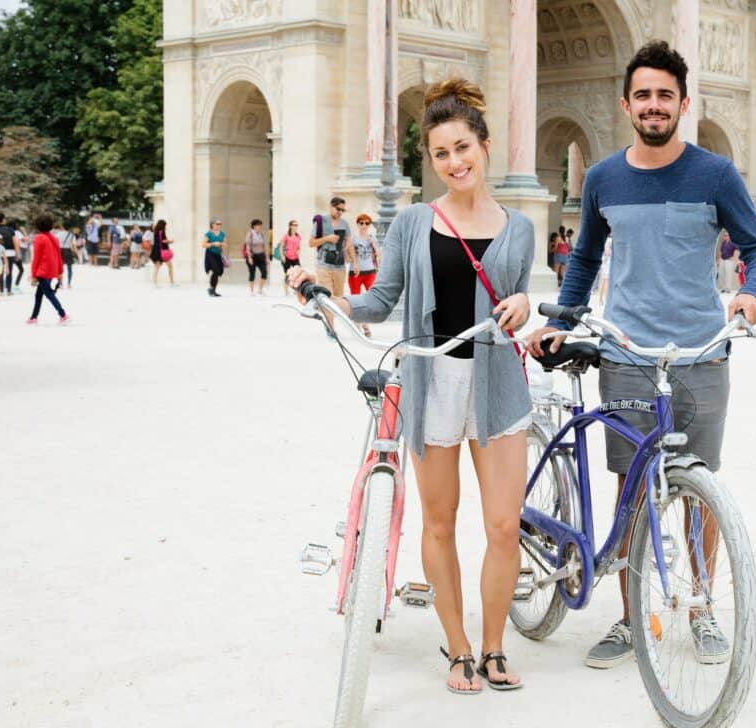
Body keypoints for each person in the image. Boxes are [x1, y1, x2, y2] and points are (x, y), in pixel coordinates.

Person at [522, 41, 756, 670]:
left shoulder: (717, 175)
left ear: (683, 104)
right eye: (644, 95)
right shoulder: (604, 178)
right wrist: (562, 316)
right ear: (626, 104)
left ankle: (701, 607)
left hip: (701, 352)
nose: (654, 105)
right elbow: (583, 258)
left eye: (666, 95)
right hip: (626, 352)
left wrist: (750, 295)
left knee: (697, 486)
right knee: (631, 489)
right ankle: (633, 617)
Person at [290, 77, 533, 694]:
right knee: (441, 523)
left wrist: (526, 303)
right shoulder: (414, 222)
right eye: (440, 154)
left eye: (462, 147)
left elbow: (518, 298)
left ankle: (495, 644)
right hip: (433, 383)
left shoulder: (519, 226)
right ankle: (457, 648)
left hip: (499, 384)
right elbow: (382, 300)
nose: (454, 162)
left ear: (484, 143)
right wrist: (330, 296)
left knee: (505, 525)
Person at [310, 197, 351, 316]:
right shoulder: (321, 222)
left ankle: (330, 322)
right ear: (331, 207)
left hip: (340, 266)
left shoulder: (345, 224)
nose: (340, 212)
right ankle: (330, 328)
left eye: (343, 210)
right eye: (338, 209)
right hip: (324, 266)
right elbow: (311, 243)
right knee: (327, 298)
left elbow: (349, 241)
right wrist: (327, 238)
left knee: (337, 299)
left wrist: (349, 254)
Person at [25, 214, 69, 325]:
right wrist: (60, 271)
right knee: (39, 294)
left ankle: (63, 314)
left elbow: (36, 258)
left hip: (42, 271)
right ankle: (34, 317)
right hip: (52, 270)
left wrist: (34, 274)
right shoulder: (54, 238)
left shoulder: (39, 238)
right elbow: (59, 255)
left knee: (49, 293)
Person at [348, 213, 381, 295]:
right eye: (361, 223)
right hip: (356, 272)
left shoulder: (372, 238)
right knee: (355, 296)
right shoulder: (353, 238)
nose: (364, 225)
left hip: (370, 271)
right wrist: (355, 264)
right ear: (358, 224)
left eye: (367, 223)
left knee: (372, 295)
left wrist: (373, 242)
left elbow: (379, 254)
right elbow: (350, 252)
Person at [203, 219, 226, 297]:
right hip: (210, 254)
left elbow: (225, 244)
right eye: (217, 224)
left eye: (220, 224)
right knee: (215, 270)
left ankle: (212, 290)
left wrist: (221, 244)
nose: (219, 225)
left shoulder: (222, 233)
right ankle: (212, 289)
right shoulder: (209, 234)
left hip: (218, 254)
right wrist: (213, 244)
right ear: (212, 225)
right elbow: (203, 244)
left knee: (219, 272)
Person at [245, 219, 268, 296]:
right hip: (252, 255)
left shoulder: (261, 234)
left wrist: (267, 257)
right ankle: (251, 291)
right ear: (254, 226)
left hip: (261, 255)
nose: (259, 227)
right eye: (258, 225)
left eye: (260, 225)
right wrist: (249, 257)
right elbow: (247, 246)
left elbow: (264, 246)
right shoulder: (250, 234)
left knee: (264, 273)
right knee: (252, 273)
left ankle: (260, 289)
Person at [279, 219, 302, 295]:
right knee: (287, 274)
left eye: (296, 225)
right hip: (287, 257)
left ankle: (296, 290)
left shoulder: (298, 236)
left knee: (298, 273)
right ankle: (286, 291)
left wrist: (298, 251)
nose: (296, 226)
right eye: (294, 225)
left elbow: (299, 246)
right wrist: (282, 256)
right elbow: (281, 246)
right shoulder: (286, 235)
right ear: (290, 226)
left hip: (295, 258)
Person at [150, 219, 175, 287]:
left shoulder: (156, 231)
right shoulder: (162, 231)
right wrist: (170, 241)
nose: (166, 227)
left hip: (156, 251)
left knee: (156, 268)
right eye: (165, 225)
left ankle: (155, 284)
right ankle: (172, 283)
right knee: (170, 267)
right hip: (164, 252)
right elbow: (163, 241)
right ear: (163, 225)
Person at [54, 220, 75, 290]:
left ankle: (60, 283)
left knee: (60, 268)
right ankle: (69, 284)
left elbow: (55, 243)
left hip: (60, 250)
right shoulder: (71, 234)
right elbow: (72, 244)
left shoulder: (58, 234)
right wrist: (74, 252)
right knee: (69, 268)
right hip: (68, 250)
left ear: (62, 226)